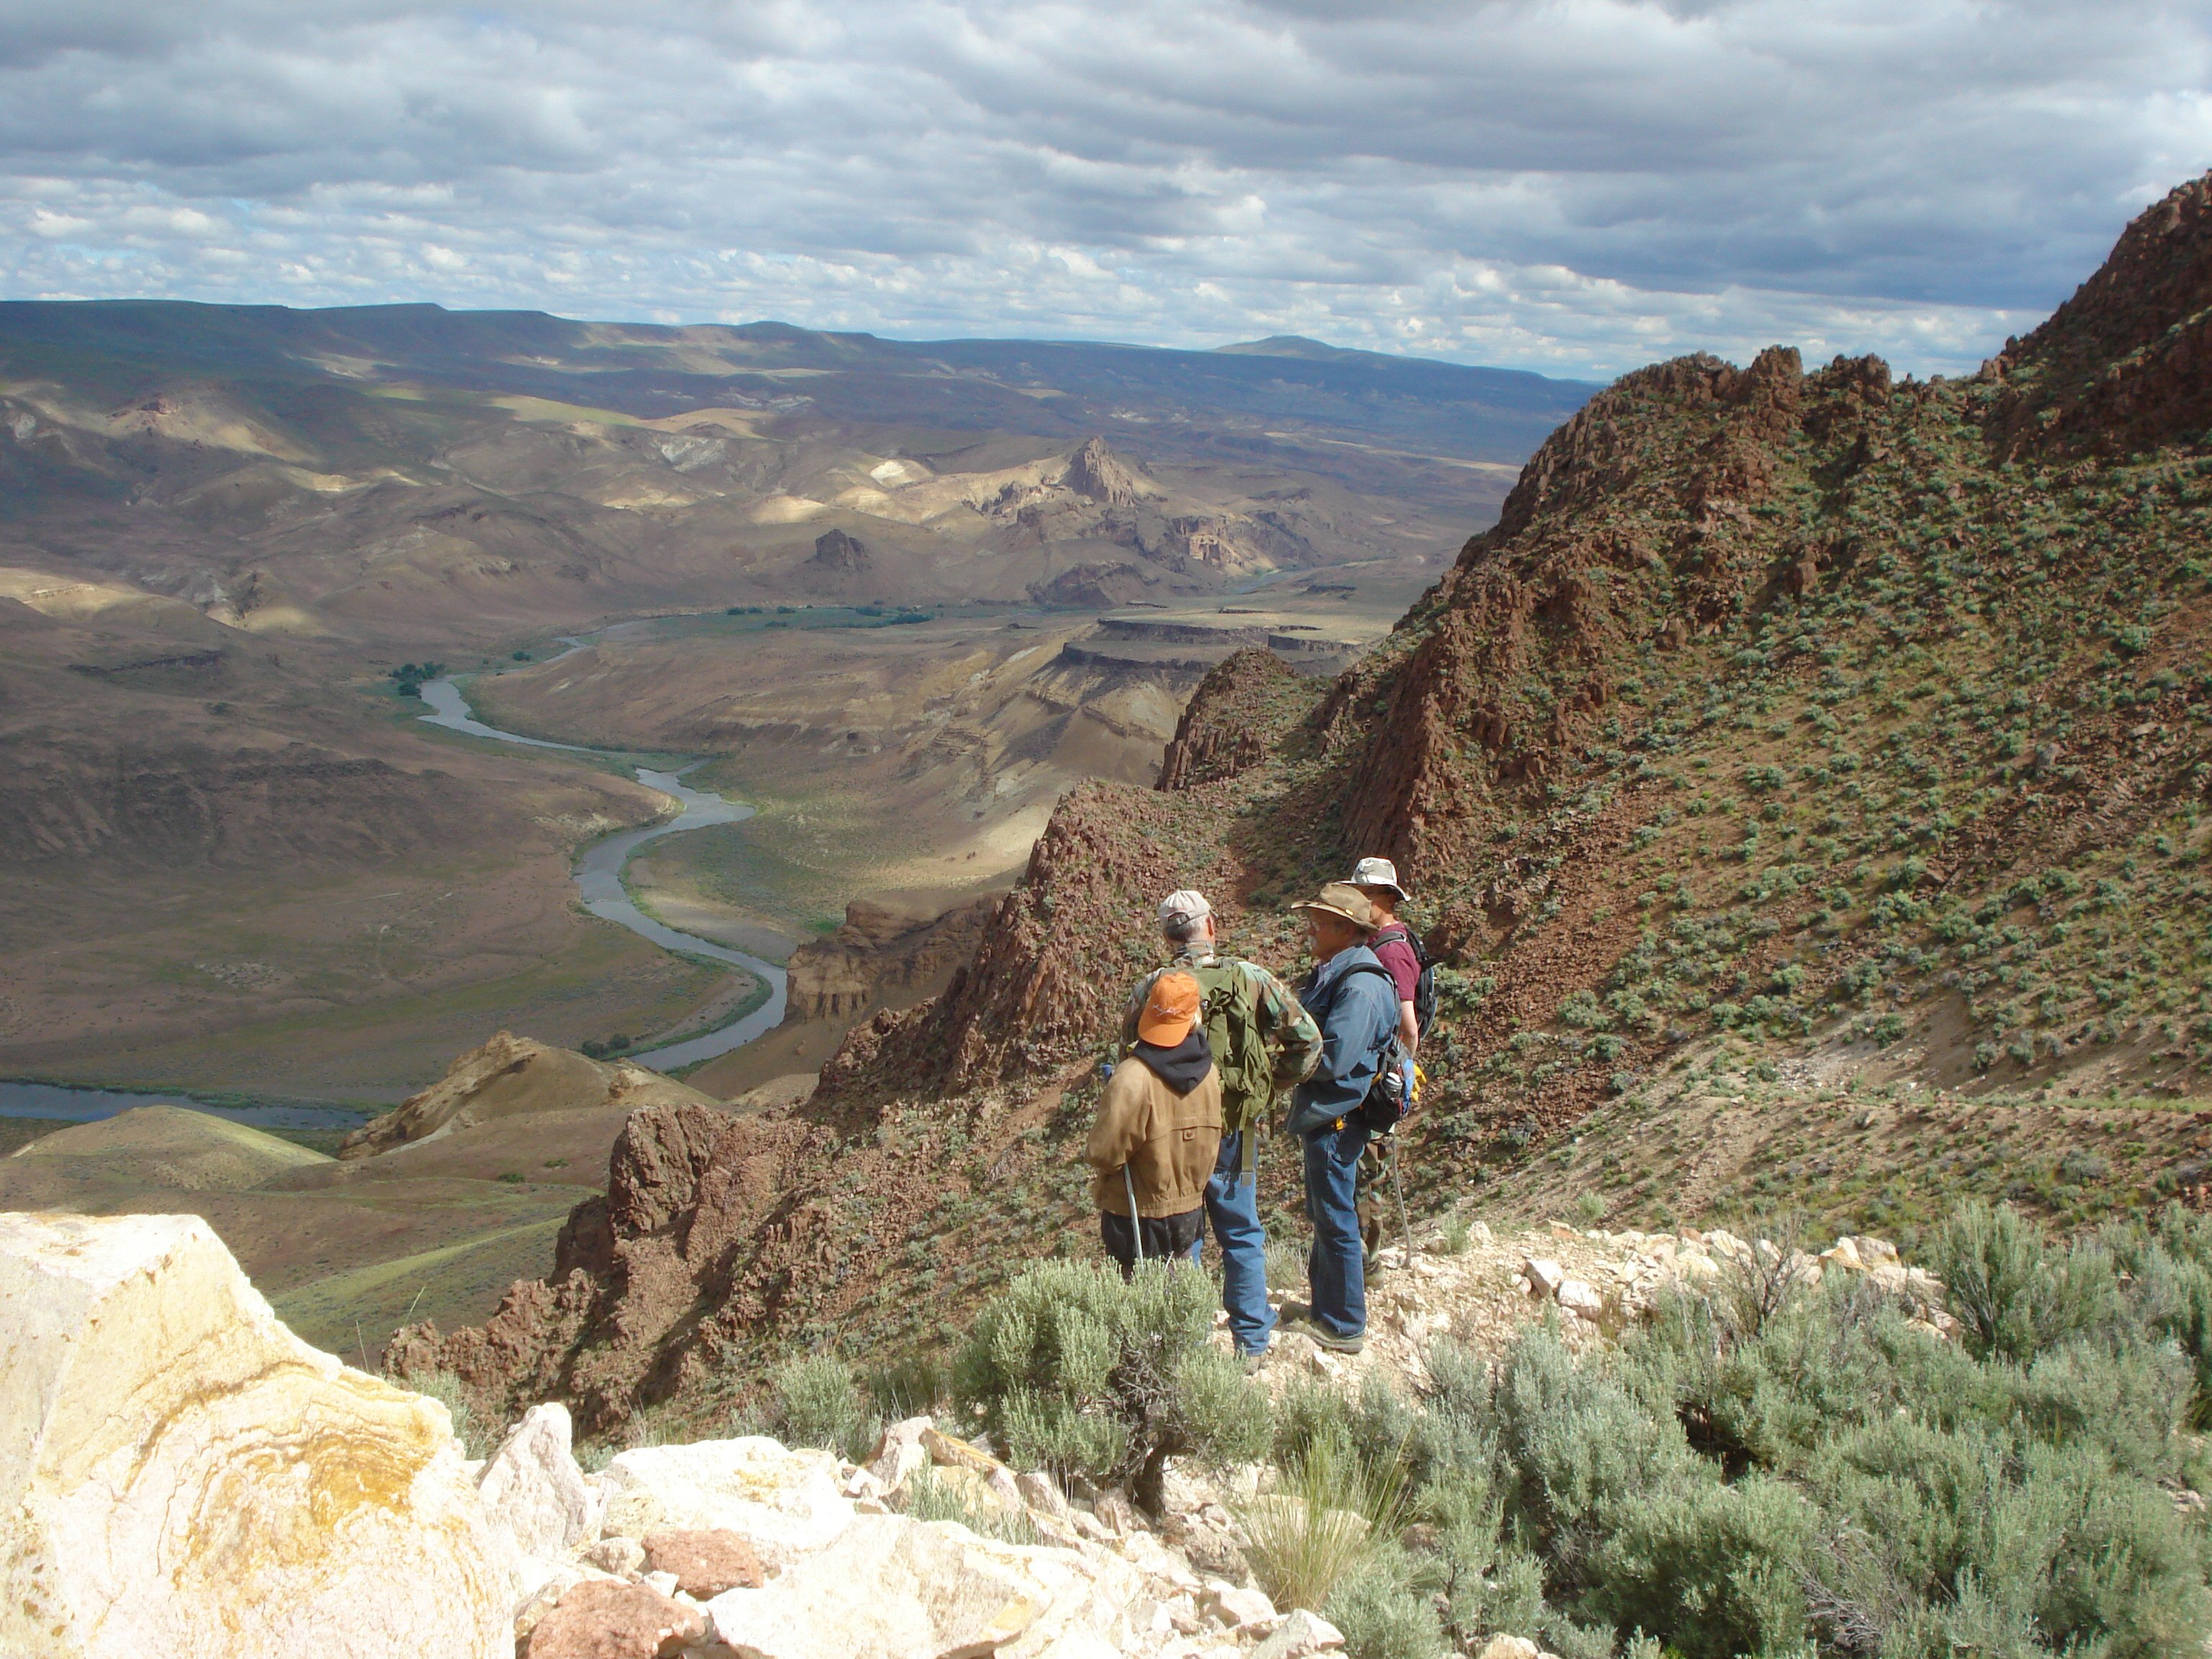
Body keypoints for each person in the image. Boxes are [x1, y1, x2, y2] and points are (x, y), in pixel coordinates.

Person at [1120, 889, 1321, 1357]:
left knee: (1181, 1243)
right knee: (1242, 1232)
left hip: (1170, 1141)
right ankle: (1252, 1343)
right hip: (1233, 1128)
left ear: (1167, 936)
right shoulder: (1251, 979)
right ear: (1210, 927)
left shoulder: (1151, 989)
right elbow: (1308, 1043)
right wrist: (1266, 1087)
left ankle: (1188, 1350)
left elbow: (1127, 1063)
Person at [1282, 882, 1400, 1353]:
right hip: (1329, 1116)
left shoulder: (1361, 986)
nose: (1310, 928)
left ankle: (1344, 1324)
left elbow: (1334, 1059)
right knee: (1328, 1215)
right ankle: (1325, 1308)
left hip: (1337, 1118)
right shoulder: (1338, 973)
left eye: (1319, 920)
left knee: (1335, 1218)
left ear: (1345, 929)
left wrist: (1282, 1058)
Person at [1087, 970, 1223, 1275]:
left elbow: (1103, 1154)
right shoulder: (1210, 1074)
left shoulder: (1133, 1077)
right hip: (1189, 1210)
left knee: (1138, 1302)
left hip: (1136, 1214)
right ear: (1194, 1020)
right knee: (1180, 1290)